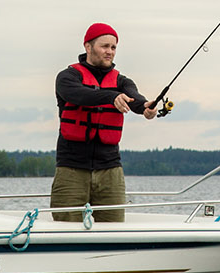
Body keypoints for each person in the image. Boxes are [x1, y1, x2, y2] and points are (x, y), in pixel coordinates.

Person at [51, 22, 157, 223]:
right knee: (65, 228)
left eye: (113, 47)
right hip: (71, 168)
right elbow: (79, 96)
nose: (110, 52)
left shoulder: (122, 81)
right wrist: (111, 97)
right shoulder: (67, 77)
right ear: (88, 47)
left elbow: (133, 98)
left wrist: (146, 107)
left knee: (114, 228)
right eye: (104, 46)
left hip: (110, 169)